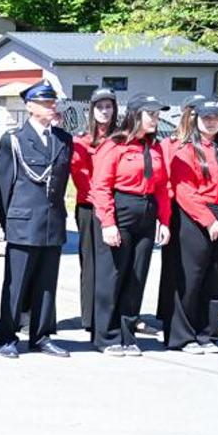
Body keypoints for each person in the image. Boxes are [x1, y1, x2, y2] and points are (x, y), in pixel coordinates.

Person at [0, 81, 73, 358]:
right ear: (29, 106)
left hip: (52, 222)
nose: (52, 107)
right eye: (45, 102)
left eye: (52, 102)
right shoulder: (13, 139)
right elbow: (2, 187)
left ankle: (41, 335)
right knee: (16, 284)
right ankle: (7, 336)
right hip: (23, 222)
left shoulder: (63, 139)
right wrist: (9, 222)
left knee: (46, 284)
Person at [166, 98, 218, 353]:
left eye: (216, 117)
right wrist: (210, 221)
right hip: (196, 218)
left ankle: (208, 334)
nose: (211, 121)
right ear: (197, 120)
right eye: (206, 117)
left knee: (217, 279)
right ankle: (183, 336)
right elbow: (184, 191)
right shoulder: (186, 151)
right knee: (190, 279)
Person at [90, 94, 170, 357]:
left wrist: (164, 221)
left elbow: (161, 187)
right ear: (136, 115)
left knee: (136, 276)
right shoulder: (115, 145)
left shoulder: (154, 147)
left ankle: (127, 333)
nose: (156, 120)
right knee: (112, 275)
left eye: (157, 115)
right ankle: (106, 335)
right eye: (151, 114)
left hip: (146, 213)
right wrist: (108, 223)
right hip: (121, 208)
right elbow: (100, 186)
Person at [152, 96, 203, 336]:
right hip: (174, 206)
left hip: (201, 207)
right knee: (173, 264)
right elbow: (163, 177)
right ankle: (166, 313)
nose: (195, 118)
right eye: (192, 112)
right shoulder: (171, 143)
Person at [72, 89, 118, 334]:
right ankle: (89, 316)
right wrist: (99, 202)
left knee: (112, 264)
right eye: (99, 106)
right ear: (91, 109)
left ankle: (110, 312)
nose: (104, 111)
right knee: (90, 262)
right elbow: (81, 178)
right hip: (89, 207)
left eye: (108, 106)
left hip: (114, 207)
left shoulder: (121, 138)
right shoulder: (81, 139)